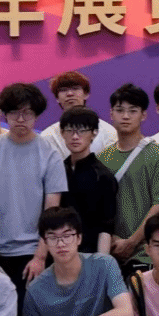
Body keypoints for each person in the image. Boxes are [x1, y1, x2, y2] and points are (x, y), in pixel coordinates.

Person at [0, 83, 68, 303]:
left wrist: (40, 257)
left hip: (32, 251)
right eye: (15, 112)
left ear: (37, 115)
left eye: (28, 113)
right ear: (4, 114)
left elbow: (52, 212)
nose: (21, 119)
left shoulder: (51, 154)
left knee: (26, 313)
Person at [99, 84, 159, 276]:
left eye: (133, 111)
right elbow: (97, 208)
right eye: (120, 110)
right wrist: (110, 240)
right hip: (109, 254)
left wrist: (132, 241)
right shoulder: (102, 157)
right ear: (111, 114)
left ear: (143, 115)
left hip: (147, 256)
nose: (125, 116)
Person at [57, 106, 118, 255]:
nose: (75, 136)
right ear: (62, 133)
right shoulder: (56, 171)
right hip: (57, 253)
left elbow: (106, 227)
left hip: (89, 255)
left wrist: (101, 261)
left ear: (94, 133)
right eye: (69, 130)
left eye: (82, 130)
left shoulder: (103, 176)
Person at [39, 70, 118, 159]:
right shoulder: (48, 136)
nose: (69, 94)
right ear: (57, 98)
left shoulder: (108, 132)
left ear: (86, 94)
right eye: (63, 90)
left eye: (75, 88)